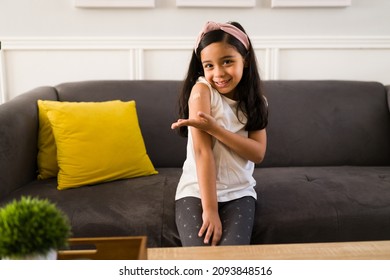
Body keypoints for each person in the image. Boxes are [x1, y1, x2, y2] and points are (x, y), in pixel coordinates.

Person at [171, 21, 268, 246]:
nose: (218, 73)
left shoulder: (257, 103)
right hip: (196, 191)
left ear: (244, 59)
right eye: (209, 65)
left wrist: (215, 129)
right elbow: (202, 152)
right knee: (201, 259)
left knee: (231, 260)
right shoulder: (202, 91)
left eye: (227, 61)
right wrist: (210, 210)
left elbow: (258, 154)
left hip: (239, 192)